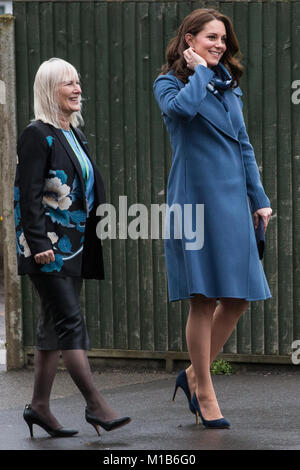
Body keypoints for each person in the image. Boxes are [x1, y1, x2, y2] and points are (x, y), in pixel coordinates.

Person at [153, 8, 272, 428]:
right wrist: (200, 72)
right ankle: (204, 389)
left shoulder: (229, 88)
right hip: (195, 202)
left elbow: (244, 146)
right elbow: (183, 112)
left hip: (234, 203)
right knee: (203, 298)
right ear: (190, 40)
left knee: (238, 299)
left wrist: (259, 198)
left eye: (223, 39)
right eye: (211, 38)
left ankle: (190, 375)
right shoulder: (167, 83)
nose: (220, 44)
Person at [14, 58, 131, 437]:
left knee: (52, 326)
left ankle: (41, 408)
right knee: (70, 322)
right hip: (47, 247)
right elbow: (25, 197)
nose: (77, 88)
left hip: (75, 246)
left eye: (78, 82)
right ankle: (96, 404)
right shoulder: (38, 134)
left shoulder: (73, 135)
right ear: (50, 90)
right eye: (68, 83)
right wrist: (37, 243)